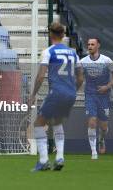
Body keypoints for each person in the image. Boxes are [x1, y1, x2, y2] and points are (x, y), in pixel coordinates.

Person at [29, 22, 83, 171]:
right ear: (63, 35)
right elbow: (80, 78)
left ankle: (43, 160)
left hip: (56, 92)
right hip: (71, 93)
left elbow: (40, 76)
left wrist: (33, 94)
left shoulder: (49, 51)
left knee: (39, 124)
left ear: (50, 34)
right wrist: (71, 90)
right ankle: (59, 157)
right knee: (57, 123)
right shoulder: (73, 53)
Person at [80, 38, 113, 159]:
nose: (90, 46)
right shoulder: (83, 61)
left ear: (98, 46)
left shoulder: (106, 60)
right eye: (88, 44)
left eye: (92, 44)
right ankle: (94, 152)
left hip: (104, 96)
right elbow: (79, 76)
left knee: (103, 126)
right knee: (92, 122)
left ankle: (102, 139)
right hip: (90, 95)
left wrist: (108, 86)